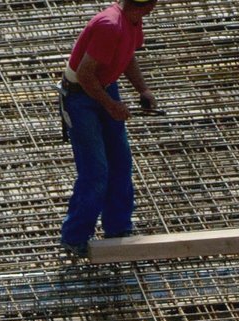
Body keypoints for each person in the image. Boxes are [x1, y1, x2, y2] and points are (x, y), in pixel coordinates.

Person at [61, 0, 160, 258]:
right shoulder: (110, 25)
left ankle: (118, 229)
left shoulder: (133, 21)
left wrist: (143, 89)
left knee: (120, 162)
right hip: (81, 98)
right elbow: (85, 74)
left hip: (104, 87)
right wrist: (111, 106)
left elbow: (127, 57)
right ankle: (75, 238)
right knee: (96, 171)